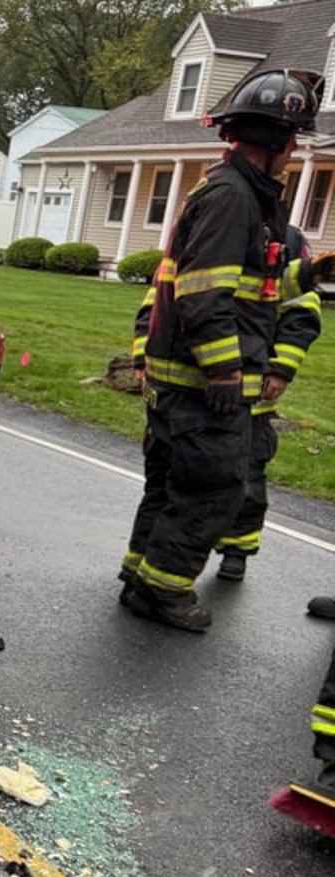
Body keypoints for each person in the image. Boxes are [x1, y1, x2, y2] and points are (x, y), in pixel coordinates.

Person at [118, 67, 333, 631]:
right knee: (212, 491)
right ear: (279, 139)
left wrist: (311, 273)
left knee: (173, 486)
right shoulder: (234, 197)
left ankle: (141, 577)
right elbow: (203, 297)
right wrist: (225, 377)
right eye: (293, 140)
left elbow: (255, 293)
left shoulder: (244, 196)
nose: (293, 152)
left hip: (186, 382)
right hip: (203, 385)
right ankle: (164, 591)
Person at [131, 225, 323, 583]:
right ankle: (141, 563)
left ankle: (236, 549)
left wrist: (281, 369)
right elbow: (156, 306)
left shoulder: (287, 242)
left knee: (243, 482)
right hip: (186, 394)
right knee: (166, 480)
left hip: (249, 400)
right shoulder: (206, 232)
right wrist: (143, 358)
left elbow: (301, 314)